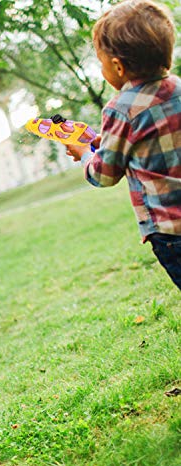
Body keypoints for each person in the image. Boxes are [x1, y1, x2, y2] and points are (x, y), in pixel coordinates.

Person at [66, 0, 181, 290]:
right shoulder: (178, 89)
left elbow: (104, 173)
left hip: (170, 230)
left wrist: (83, 154)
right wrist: (101, 142)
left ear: (117, 66)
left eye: (100, 60)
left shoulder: (121, 109)